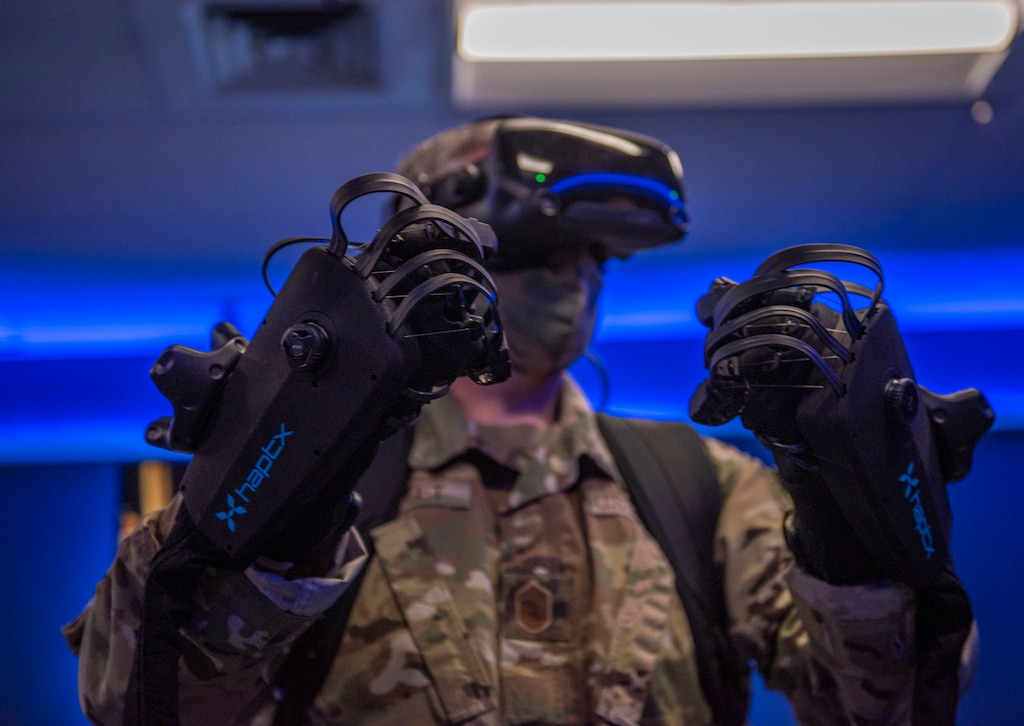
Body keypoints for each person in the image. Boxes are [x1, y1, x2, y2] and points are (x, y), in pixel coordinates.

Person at [63, 116, 977, 725]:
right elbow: (141, 699)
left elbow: (885, 704)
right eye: (540, 253)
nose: (574, 281)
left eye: (597, 261)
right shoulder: (328, 479)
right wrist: (277, 464)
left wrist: (850, 490)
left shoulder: (702, 486)